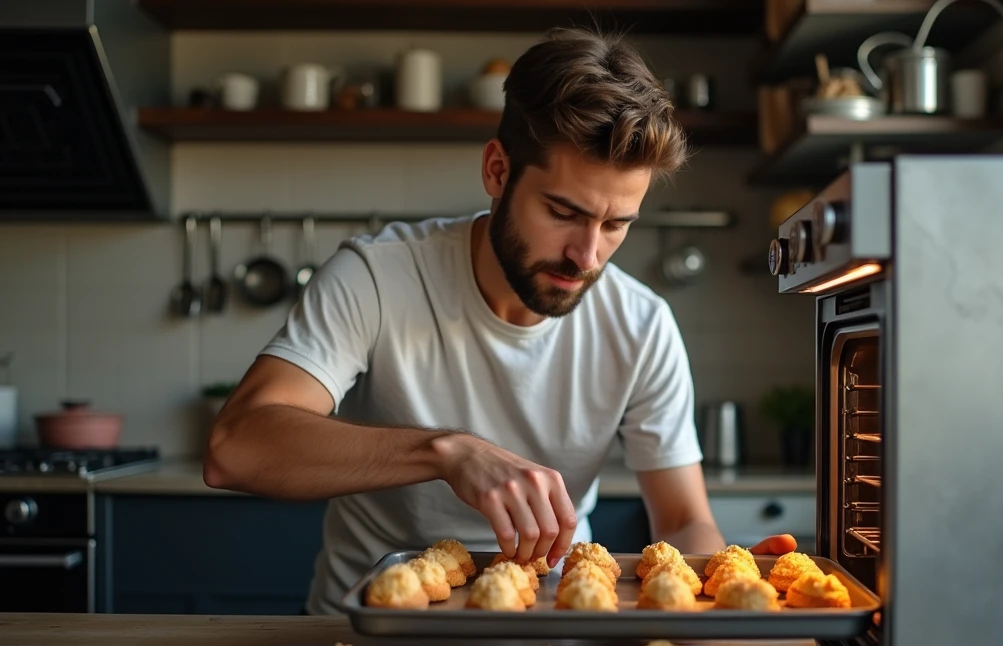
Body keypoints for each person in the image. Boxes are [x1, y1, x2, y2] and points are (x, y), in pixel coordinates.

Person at [204, 28, 796, 614]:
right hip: (368, 631)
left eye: (616, 224)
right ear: (496, 170)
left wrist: (724, 576)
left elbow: (683, 518)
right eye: (563, 212)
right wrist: (447, 453)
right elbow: (235, 448)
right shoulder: (376, 277)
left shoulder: (641, 324)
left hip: (554, 624)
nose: (587, 256)